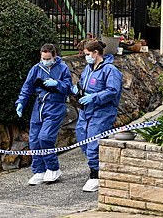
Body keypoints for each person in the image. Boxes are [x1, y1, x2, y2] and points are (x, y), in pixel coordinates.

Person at [15, 43, 72, 185]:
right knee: (34, 140)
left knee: (45, 137)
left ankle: (53, 168)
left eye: (48, 58)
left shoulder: (63, 68)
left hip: (55, 106)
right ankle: (39, 170)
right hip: (39, 106)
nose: (45, 61)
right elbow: (27, 87)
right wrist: (21, 102)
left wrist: (57, 84)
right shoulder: (36, 69)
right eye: (43, 58)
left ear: (54, 56)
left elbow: (68, 87)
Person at [73, 39, 123, 192]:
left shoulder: (110, 70)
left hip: (102, 112)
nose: (86, 57)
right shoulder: (88, 69)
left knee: (94, 142)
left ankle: (95, 175)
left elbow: (112, 91)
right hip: (86, 110)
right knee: (82, 138)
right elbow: (83, 84)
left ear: (96, 53)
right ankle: (98, 168)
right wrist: (78, 91)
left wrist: (93, 97)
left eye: (88, 54)